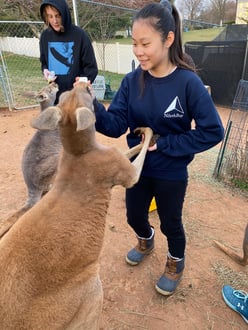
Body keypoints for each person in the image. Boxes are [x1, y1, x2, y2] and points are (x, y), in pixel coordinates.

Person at [79, 1, 224, 296]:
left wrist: (166, 143)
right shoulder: (133, 81)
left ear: (168, 40)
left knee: (172, 222)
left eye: (145, 43)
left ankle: (175, 262)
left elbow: (213, 131)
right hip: (137, 169)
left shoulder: (188, 83)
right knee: (134, 216)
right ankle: (146, 238)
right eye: (134, 43)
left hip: (171, 171)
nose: (138, 51)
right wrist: (90, 104)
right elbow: (115, 124)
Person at [39, 0, 98, 104]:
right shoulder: (45, 36)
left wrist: (82, 83)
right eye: (50, 16)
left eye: (58, 16)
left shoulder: (80, 36)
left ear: (64, 14)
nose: (54, 20)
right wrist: (45, 70)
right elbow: (44, 61)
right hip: (55, 98)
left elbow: (91, 68)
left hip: (77, 97)